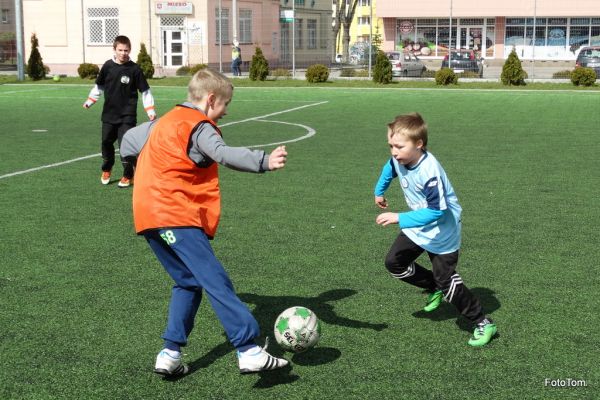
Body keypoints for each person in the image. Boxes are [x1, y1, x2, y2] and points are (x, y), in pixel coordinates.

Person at [132, 68, 289, 377]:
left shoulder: (162, 121)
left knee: (188, 283)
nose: (225, 112)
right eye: (224, 105)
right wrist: (264, 161)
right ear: (211, 99)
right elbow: (222, 153)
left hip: (146, 213)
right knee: (214, 279)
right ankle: (248, 350)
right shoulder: (200, 125)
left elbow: (129, 141)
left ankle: (170, 353)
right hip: (174, 212)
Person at [373, 112, 497, 347]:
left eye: (399, 146)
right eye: (391, 145)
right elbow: (389, 168)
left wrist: (399, 217)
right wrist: (380, 190)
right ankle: (434, 287)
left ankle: (482, 322)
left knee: (447, 280)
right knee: (394, 264)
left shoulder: (430, 171)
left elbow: (436, 211)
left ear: (418, 144)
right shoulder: (400, 159)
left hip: (442, 232)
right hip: (419, 227)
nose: (393, 151)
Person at [83, 35, 156, 188]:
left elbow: (145, 91)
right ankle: (107, 168)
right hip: (109, 114)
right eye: (120, 50)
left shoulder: (134, 69)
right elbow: (99, 86)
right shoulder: (108, 66)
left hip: (127, 115)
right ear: (114, 49)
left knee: (126, 145)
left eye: (126, 50)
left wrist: (150, 110)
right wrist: (90, 100)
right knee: (106, 142)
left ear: (130, 50)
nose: (123, 53)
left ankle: (128, 175)